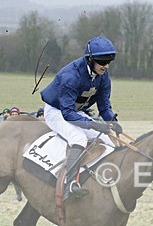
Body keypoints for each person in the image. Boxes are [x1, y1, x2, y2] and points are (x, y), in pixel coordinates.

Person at [40, 36, 123, 200]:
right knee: (78, 138)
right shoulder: (71, 76)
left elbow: (104, 106)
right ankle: (69, 185)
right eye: (102, 62)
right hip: (57, 111)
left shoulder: (103, 77)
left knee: (108, 139)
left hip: (76, 112)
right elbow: (67, 114)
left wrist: (112, 121)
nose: (106, 66)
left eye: (108, 62)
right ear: (90, 59)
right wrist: (94, 125)